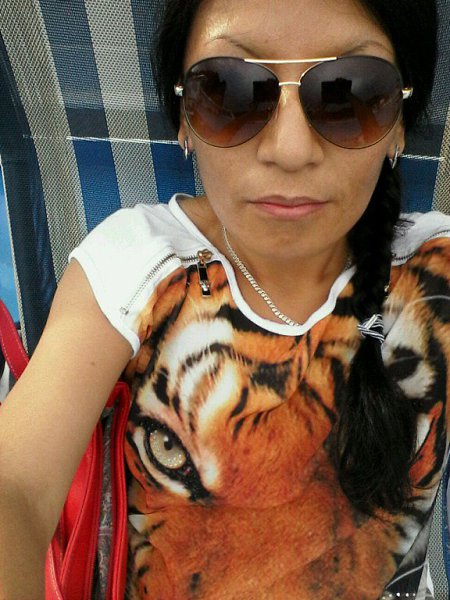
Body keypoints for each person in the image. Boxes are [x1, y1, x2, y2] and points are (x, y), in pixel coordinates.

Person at [0, 0, 449, 598]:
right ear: (185, 120)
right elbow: (15, 487)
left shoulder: (435, 273)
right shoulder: (137, 265)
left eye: (349, 93)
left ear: (398, 125)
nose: (290, 149)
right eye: (230, 91)